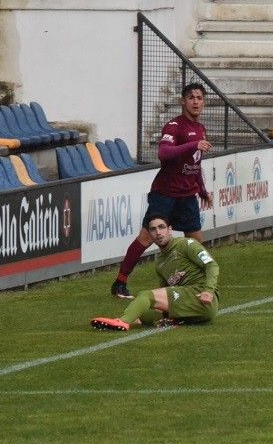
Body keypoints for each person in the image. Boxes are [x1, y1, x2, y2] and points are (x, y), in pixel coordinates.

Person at [111, 82, 213, 299]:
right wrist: (192, 145)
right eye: (191, 97)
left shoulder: (201, 128)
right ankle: (120, 283)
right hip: (165, 194)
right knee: (147, 238)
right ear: (183, 101)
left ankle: (202, 285)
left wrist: (202, 190)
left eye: (200, 98)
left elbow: (195, 164)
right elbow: (164, 154)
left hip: (187, 195)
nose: (196, 102)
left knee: (196, 243)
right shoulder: (174, 126)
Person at [91, 214, 218, 331]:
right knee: (145, 314)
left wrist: (208, 290)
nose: (158, 232)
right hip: (187, 304)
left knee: (145, 295)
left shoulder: (186, 244)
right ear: (150, 235)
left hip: (200, 297)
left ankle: (122, 322)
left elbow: (212, 265)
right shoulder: (160, 262)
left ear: (170, 229)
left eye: (161, 227)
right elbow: (165, 290)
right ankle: (169, 320)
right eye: (153, 229)